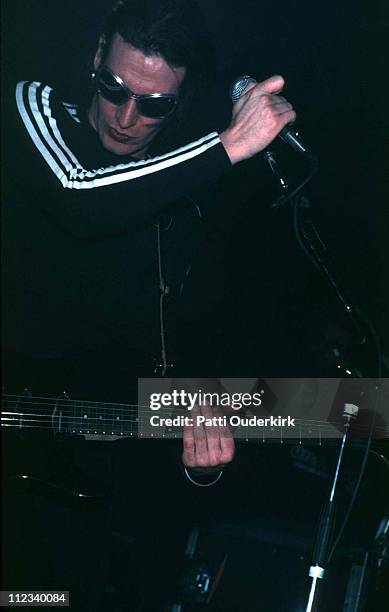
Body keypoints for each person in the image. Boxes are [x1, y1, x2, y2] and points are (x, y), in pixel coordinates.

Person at [2, 0, 296, 608]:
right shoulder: (38, 108)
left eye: (154, 104)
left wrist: (205, 458)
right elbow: (78, 195)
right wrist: (229, 145)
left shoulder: (187, 208)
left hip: (79, 494)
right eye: (113, 88)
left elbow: (197, 366)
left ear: (180, 100)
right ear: (96, 56)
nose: (126, 115)